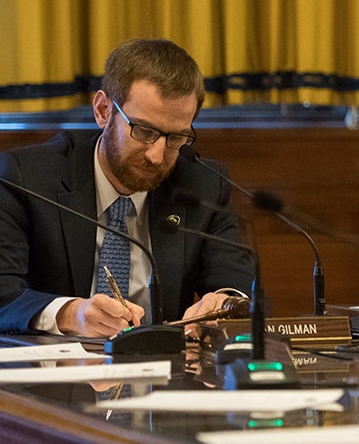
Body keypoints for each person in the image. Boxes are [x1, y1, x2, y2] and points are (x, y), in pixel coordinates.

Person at [0, 38, 255, 339]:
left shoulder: (203, 185)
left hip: (165, 375)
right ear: (103, 110)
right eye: (144, 131)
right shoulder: (26, 178)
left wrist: (225, 304)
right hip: (57, 376)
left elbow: (242, 292)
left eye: (175, 138)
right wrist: (70, 313)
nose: (156, 156)